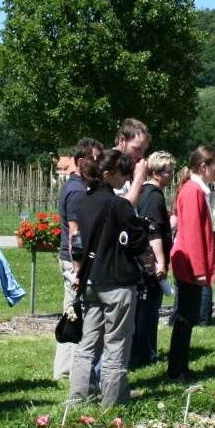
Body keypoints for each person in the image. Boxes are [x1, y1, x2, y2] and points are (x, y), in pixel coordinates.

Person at [69, 150, 146, 407]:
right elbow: (135, 238)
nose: (125, 180)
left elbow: (76, 244)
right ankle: (113, 403)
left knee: (87, 344)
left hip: (91, 280)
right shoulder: (117, 205)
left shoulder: (82, 203)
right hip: (117, 281)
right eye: (123, 174)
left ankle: (79, 398)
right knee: (116, 345)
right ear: (108, 174)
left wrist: (77, 273)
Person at [168, 146, 215, 381]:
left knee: (187, 318)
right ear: (203, 167)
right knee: (185, 319)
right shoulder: (193, 191)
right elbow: (191, 233)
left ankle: (181, 367)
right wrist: (199, 270)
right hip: (190, 266)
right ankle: (176, 370)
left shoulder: (196, 189)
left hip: (190, 266)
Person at [53, 137, 102, 380]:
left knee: (72, 309)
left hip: (73, 259)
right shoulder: (76, 191)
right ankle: (67, 370)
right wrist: (77, 269)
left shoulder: (77, 187)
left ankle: (65, 369)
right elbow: (75, 234)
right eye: (95, 159)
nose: (99, 164)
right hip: (73, 260)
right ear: (82, 161)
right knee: (74, 313)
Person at [130, 150, 175, 368]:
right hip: (149, 263)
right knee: (147, 310)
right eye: (169, 170)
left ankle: (145, 351)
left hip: (144, 261)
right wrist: (161, 262)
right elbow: (152, 230)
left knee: (146, 309)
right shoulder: (153, 196)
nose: (172, 174)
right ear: (157, 173)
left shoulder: (146, 194)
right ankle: (144, 353)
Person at [114, 118, 150, 205]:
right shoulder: (107, 166)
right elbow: (122, 206)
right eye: (137, 149)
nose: (141, 155)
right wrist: (139, 178)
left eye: (143, 150)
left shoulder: (129, 169)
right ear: (122, 141)